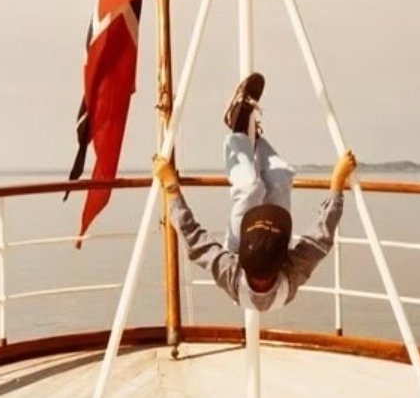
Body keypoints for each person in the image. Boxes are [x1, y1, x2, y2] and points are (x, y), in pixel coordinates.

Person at [153, 72, 357, 312]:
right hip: (269, 245)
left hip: (242, 245)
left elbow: (194, 240)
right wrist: (337, 183)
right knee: (281, 177)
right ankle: (255, 139)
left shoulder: (230, 271)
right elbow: (321, 237)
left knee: (250, 189)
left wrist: (171, 186)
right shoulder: (293, 272)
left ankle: (238, 130)